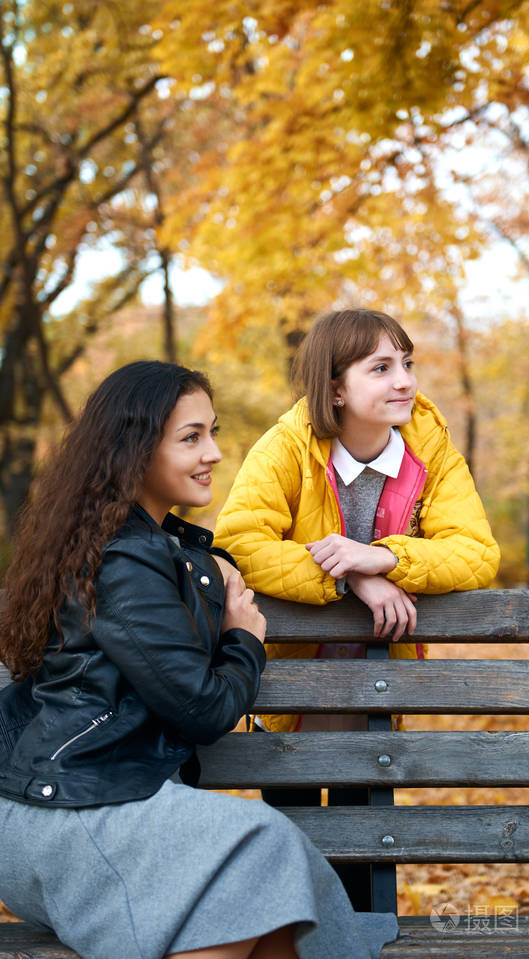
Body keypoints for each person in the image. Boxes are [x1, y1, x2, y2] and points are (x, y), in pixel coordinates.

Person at [0, 361, 398, 959]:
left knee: (268, 901)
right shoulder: (123, 560)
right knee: (266, 844)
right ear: (136, 451)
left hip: (92, 810)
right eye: (191, 437)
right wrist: (244, 638)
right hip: (80, 822)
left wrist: (358, 572)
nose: (215, 453)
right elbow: (200, 707)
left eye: (212, 432)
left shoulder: (137, 545)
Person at [214, 309, 501, 907]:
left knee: (362, 854)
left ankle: (364, 936)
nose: (405, 381)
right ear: (336, 388)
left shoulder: (431, 451)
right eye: (382, 368)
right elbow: (241, 542)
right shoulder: (287, 447)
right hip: (288, 688)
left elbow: (475, 553)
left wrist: (384, 559)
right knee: (291, 849)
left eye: (407, 364)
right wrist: (351, 579)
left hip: (377, 688)